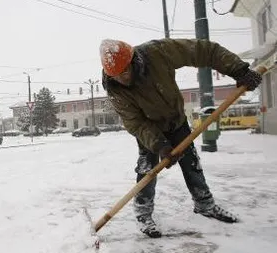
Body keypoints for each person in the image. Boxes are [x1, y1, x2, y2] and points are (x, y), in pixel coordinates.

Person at [99, 38, 262, 238]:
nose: (122, 79)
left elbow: (204, 50)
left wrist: (239, 70)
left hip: (176, 120)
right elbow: (136, 123)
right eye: (115, 76)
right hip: (149, 128)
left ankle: (205, 205)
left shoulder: (157, 53)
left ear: (133, 61)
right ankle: (143, 213)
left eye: (124, 72)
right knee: (147, 169)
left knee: (191, 162)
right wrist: (160, 145)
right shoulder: (115, 90)